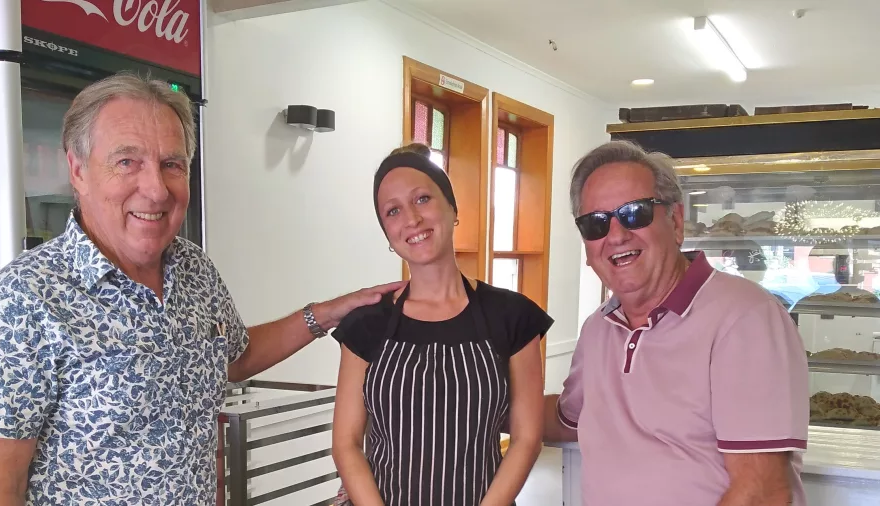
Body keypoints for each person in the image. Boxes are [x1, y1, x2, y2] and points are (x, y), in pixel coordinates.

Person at [0, 73, 403, 505]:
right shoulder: (21, 301)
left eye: (172, 164)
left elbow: (235, 358)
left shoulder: (193, 268)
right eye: (127, 162)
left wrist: (326, 314)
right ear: (78, 170)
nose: (155, 189)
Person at [542, 140, 809, 505]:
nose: (616, 235)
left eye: (635, 213)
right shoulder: (598, 328)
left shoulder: (746, 317)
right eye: (596, 223)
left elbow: (761, 493)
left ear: (677, 221)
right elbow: (567, 420)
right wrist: (479, 408)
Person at [331, 143, 552, 506]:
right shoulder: (366, 324)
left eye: (422, 199)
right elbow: (346, 444)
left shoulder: (512, 316)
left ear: (453, 208)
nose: (412, 220)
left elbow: (527, 439)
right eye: (393, 211)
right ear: (387, 233)